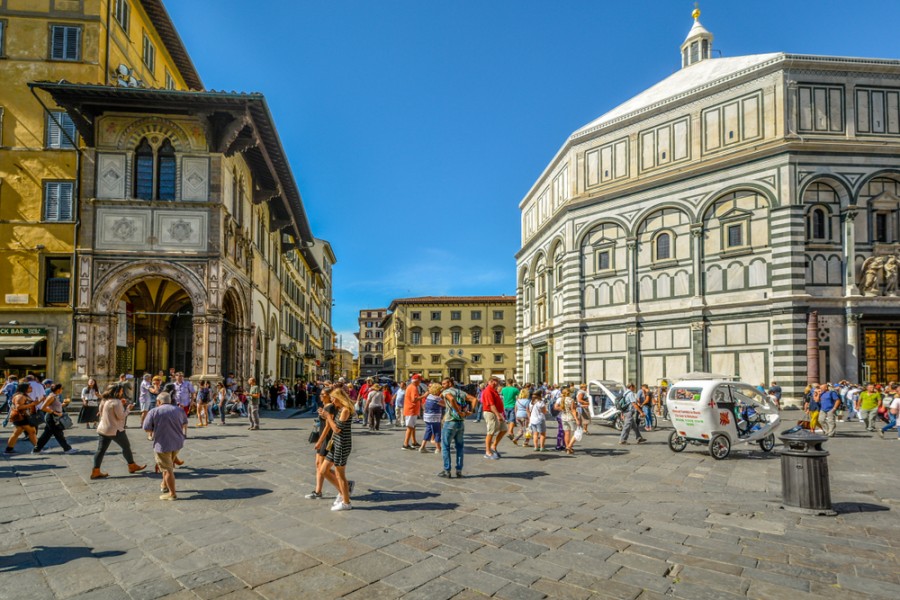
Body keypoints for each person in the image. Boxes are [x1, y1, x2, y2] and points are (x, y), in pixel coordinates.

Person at [308, 387, 354, 511]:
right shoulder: (339, 409)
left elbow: (337, 429)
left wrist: (327, 416)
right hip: (335, 444)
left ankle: (346, 502)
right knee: (323, 470)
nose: (333, 402)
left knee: (340, 475)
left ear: (340, 399)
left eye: (334, 399)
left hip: (342, 445)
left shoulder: (345, 410)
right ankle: (343, 493)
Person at [91, 384, 145, 479]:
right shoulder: (116, 402)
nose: (121, 392)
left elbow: (101, 412)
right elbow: (121, 416)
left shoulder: (104, 400)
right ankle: (131, 465)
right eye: (121, 391)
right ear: (117, 391)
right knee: (126, 447)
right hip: (115, 429)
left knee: (100, 450)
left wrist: (121, 404)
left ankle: (95, 471)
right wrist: (128, 409)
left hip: (103, 428)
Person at [142, 391, 187, 500]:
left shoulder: (154, 411)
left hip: (162, 444)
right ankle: (165, 485)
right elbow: (184, 424)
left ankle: (172, 494)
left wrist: (154, 430)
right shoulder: (179, 410)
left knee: (167, 470)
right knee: (168, 465)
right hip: (177, 442)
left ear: (158, 401)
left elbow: (146, 428)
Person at [439, 378, 475, 478]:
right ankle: (459, 470)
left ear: (450, 383)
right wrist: (471, 411)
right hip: (460, 423)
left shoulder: (447, 391)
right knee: (459, 447)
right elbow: (474, 399)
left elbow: (450, 399)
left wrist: (458, 411)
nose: (442, 385)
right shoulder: (461, 392)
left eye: (444, 383)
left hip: (450, 422)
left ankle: (447, 470)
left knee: (445, 446)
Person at [306, 388, 337, 499]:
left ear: (329, 396)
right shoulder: (326, 407)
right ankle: (318, 491)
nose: (320, 396)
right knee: (319, 465)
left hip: (326, 439)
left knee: (323, 467)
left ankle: (345, 484)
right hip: (323, 437)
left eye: (323, 394)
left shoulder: (330, 407)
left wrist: (319, 441)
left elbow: (329, 426)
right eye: (321, 394)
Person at [33, 383, 77, 454]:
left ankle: (37, 449)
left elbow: (55, 406)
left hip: (54, 417)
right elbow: (43, 407)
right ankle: (67, 449)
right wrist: (54, 412)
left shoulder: (56, 396)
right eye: (61, 388)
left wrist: (64, 404)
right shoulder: (51, 397)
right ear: (58, 389)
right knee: (58, 434)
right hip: (51, 418)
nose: (62, 390)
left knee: (47, 434)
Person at [4, 383, 41, 454]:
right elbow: (18, 407)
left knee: (17, 432)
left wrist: (38, 401)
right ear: (25, 388)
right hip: (21, 417)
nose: (31, 389)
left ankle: (9, 449)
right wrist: (32, 404)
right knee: (32, 432)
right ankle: (37, 448)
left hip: (21, 417)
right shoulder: (20, 396)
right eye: (30, 387)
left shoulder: (23, 395)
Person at [481, 376, 506, 459]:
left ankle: (493, 446)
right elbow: (491, 405)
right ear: (489, 382)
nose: (495, 383)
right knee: (490, 432)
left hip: (497, 412)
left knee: (504, 429)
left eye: (496, 381)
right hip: (490, 413)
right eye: (493, 381)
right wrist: (498, 415)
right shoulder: (488, 391)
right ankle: (487, 452)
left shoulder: (494, 390)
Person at [421, 383, 444, 454]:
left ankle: (422, 447)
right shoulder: (437, 399)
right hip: (434, 417)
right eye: (440, 390)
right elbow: (445, 404)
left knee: (429, 431)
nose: (441, 392)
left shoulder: (429, 396)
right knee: (437, 432)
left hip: (427, 417)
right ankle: (438, 448)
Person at [402, 374, 423, 450]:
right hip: (411, 409)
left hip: (411, 409)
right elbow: (414, 399)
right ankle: (405, 444)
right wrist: (424, 396)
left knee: (412, 426)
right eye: (420, 380)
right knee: (410, 427)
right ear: (416, 381)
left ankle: (414, 442)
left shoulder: (411, 387)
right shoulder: (413, 387)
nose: (420, 382)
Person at [558, 388, 579, 454]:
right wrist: (576, 419)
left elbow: (559, 407)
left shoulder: (562, 399)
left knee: (567, 434)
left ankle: (568, 449)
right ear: (569, 393)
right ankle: (569, 446)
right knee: (577, 432)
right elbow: (573, 410)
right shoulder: (571, 400)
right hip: (570, 418)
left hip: (563, 418)